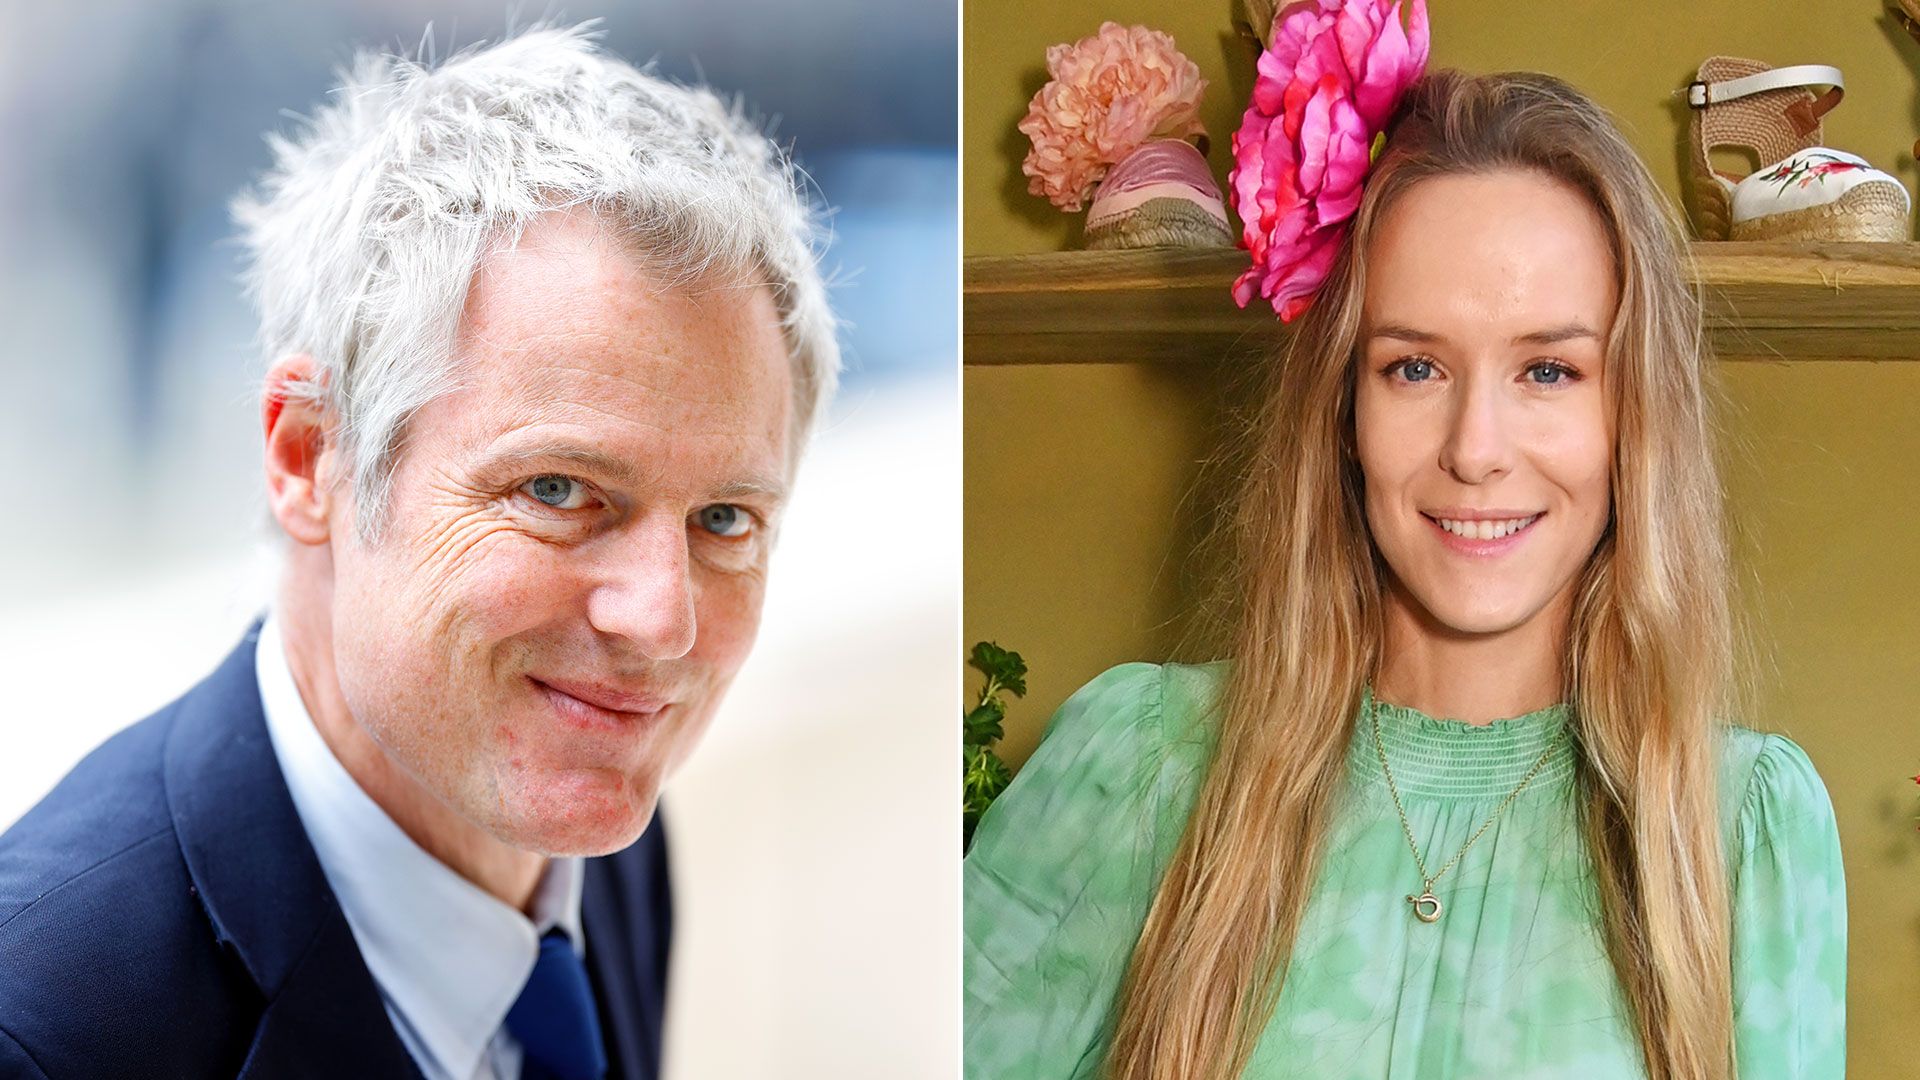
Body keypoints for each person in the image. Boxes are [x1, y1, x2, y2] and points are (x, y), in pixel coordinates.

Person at [962, 66, 1845, 1080]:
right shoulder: (1138, 770)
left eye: (1548, 370)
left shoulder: (1743, 831)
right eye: (1413, 367)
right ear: (1342, 410)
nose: (1476, 449)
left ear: (1632, 419)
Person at [0, 24, 835, 1080]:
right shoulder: (41, 1033)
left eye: (723, 520)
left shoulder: (596, 827)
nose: (663, 622)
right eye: (558, 491)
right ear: (309, 457)